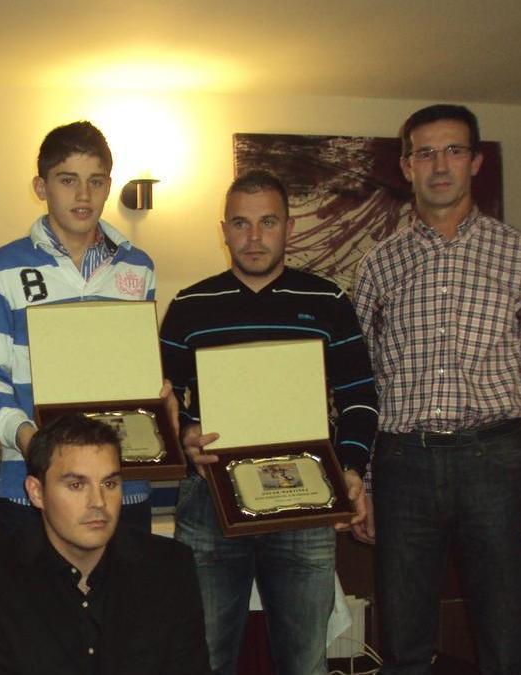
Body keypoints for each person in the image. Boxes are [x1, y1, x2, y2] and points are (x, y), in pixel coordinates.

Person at [351, 104, 521, 675]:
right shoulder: (379, 264)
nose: (439, 165)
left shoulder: (520, 255)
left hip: (496, 463)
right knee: (403, 645)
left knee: (506, 643)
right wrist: (366, 483)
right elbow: (362, 380)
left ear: (475, 162)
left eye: (453, 150)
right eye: (425, 152)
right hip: (404, 465)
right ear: (406, 166)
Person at [158, 170, 378, 675]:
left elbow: (359, 396)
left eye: (267, 222)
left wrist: (351, 469)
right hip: (210, 499)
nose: (254, 237)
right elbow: (164, 400)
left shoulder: (328, 302)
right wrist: (187, 432)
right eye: (241, 223)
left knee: (304, 662)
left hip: (306, 503)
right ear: (224, 229)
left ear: (289, 228)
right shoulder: (191, 305)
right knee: (205, 657)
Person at [0, 121, 163, 538]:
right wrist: (31, 443)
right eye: (67, 180)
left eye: (95, 181)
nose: (83, 195)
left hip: (121, 487)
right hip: (31, 488)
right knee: (31, 605)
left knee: (126, 604)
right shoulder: (0, 268)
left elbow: (141, 373)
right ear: (41, 187)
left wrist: (159, 402)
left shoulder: (138, 267)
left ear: (109, 186)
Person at [0, 414, 211, 675]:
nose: (98, 501)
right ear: (36, 492)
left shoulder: (168, 566)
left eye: (109, 483)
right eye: (77, 485)